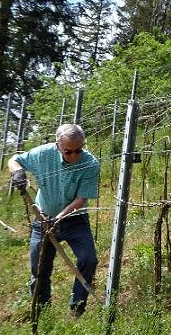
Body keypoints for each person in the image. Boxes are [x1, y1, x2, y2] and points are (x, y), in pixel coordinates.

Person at [8, 123, 101, 316]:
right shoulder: (43, 154)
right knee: (39, 269)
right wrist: (18, 172)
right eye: (68, 152)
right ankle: (42, 313)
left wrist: (58, 218)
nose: (74, 156)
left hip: (75, 219)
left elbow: (81, 199)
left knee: (88, 259)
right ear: (58, 145)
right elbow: (14, 160)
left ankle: (77, 308)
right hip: (43, 219)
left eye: (78, 151)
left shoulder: (90, 164)